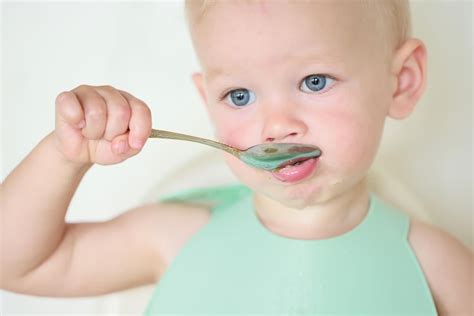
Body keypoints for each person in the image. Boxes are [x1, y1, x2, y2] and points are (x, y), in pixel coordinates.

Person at [1, 0, 472, 314]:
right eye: (240, 94)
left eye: (315, 81)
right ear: (208, 102)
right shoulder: (173, 237)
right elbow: (17, 264)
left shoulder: (437, 266)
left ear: (401, 82)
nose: (275, 124)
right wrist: (65, 156)